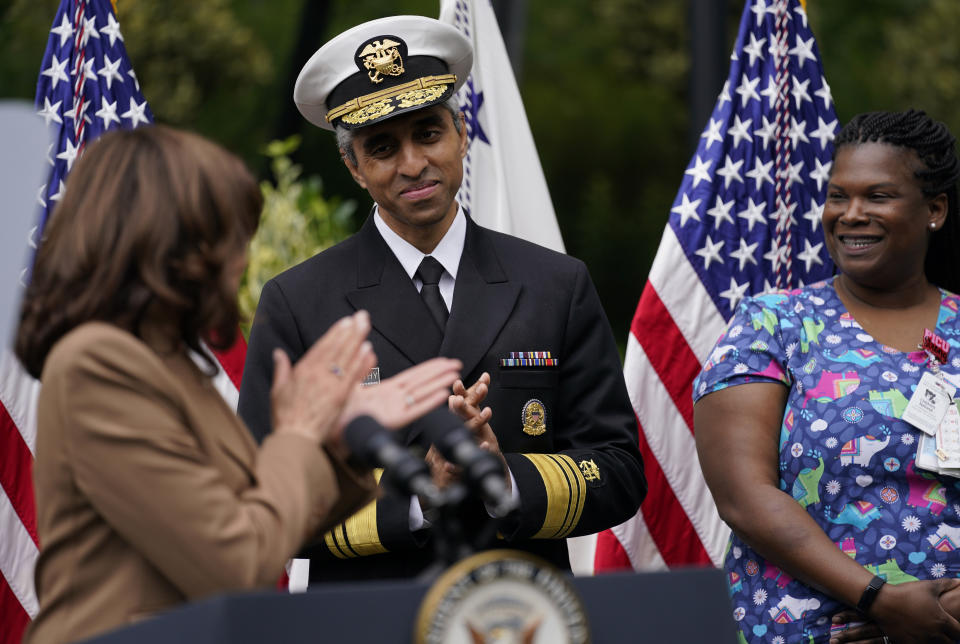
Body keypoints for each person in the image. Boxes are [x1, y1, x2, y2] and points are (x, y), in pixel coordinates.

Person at [238, 15, 646, 582]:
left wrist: (503, 478)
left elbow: (620, 471)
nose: (412, 164)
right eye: (382, 147)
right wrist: (419, 495)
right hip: (364, 621)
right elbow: (260, 496)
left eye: (428, 133)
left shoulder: (556, 283)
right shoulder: (298, 301)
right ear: (353, 167)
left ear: (460, 131)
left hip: (517, 614)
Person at [16, 125, 461, 644]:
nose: (240, 261)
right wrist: (297, 432)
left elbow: (264, 519)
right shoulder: (99, 364)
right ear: (167, 243)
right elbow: (235, 561)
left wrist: (340, 442)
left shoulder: (170, 362)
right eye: (227, 236)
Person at [694, 110, 960, 644]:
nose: (850, 214)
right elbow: (745, 497)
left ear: (934, 210)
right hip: (815, 631)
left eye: (877, 196)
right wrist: (879, 601)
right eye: (839, 196)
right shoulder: (773, 323)